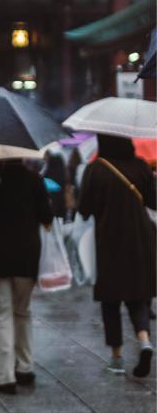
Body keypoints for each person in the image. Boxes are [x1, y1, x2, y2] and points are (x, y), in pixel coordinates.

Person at [77, 134, 156, 377]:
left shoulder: (96, 169)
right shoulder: (140, 166)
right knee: (137, 294)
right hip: (141, 238)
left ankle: (117, 357)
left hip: (109, 239)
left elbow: (84, 209)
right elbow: (153, 201)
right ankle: (144, 341)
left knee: (111, 299)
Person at [0, 159, 53, 393]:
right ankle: (25, 366)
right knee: (22, 311)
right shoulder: (34, 179)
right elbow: (47, 216)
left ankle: (5, 376)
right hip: (27, 256)